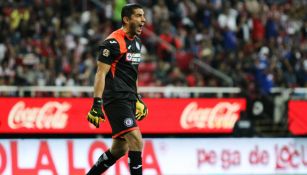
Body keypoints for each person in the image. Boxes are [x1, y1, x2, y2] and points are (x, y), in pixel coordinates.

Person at [86, 3, 148, 175]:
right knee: (136, 140)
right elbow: (100, 74)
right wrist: (97, 103)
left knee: (119, 149)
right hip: (115, 99)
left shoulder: (137, 42)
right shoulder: (112, 43)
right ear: (126, 19)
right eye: (138, 16)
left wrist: (138, 98)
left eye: (143, 15)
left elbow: (132, 73)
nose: (143, 19)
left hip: (128, 98)